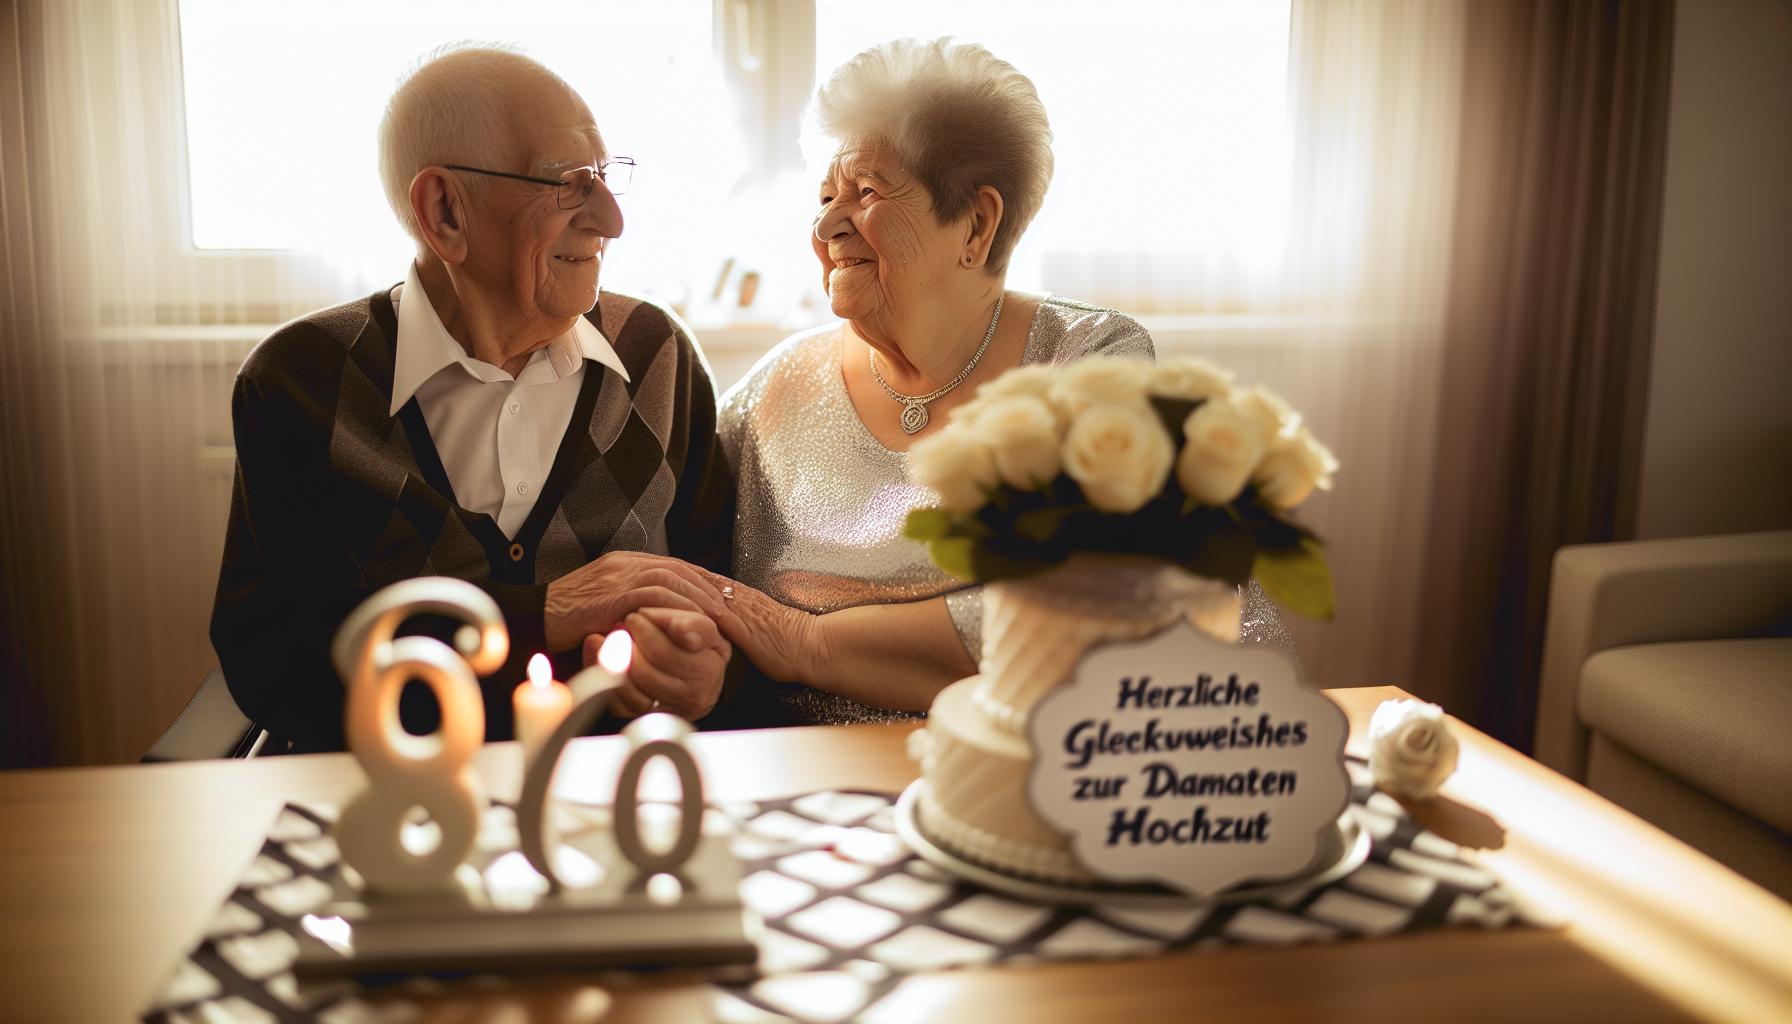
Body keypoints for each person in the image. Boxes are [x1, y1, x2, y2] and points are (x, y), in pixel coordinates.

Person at [705, 38, 1300, 727]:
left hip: (1037, 778)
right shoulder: (775, 389)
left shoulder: (1087, 362)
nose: (827, 224)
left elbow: (1101, 608)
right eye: (824, 196)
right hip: (805, 782)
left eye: (865, 192)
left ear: (977, 224)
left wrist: (803, 643)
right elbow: (680, 571)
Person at [210, 45, 734, 751]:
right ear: (445, 210)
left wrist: (705, 672)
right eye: (571, 183)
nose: (611, 220)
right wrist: (548, 613)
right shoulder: (302, 382)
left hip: (611, 804)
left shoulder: (655, 357)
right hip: (391, 806)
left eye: (606, 180)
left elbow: (724, 601)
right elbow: (276, 665)